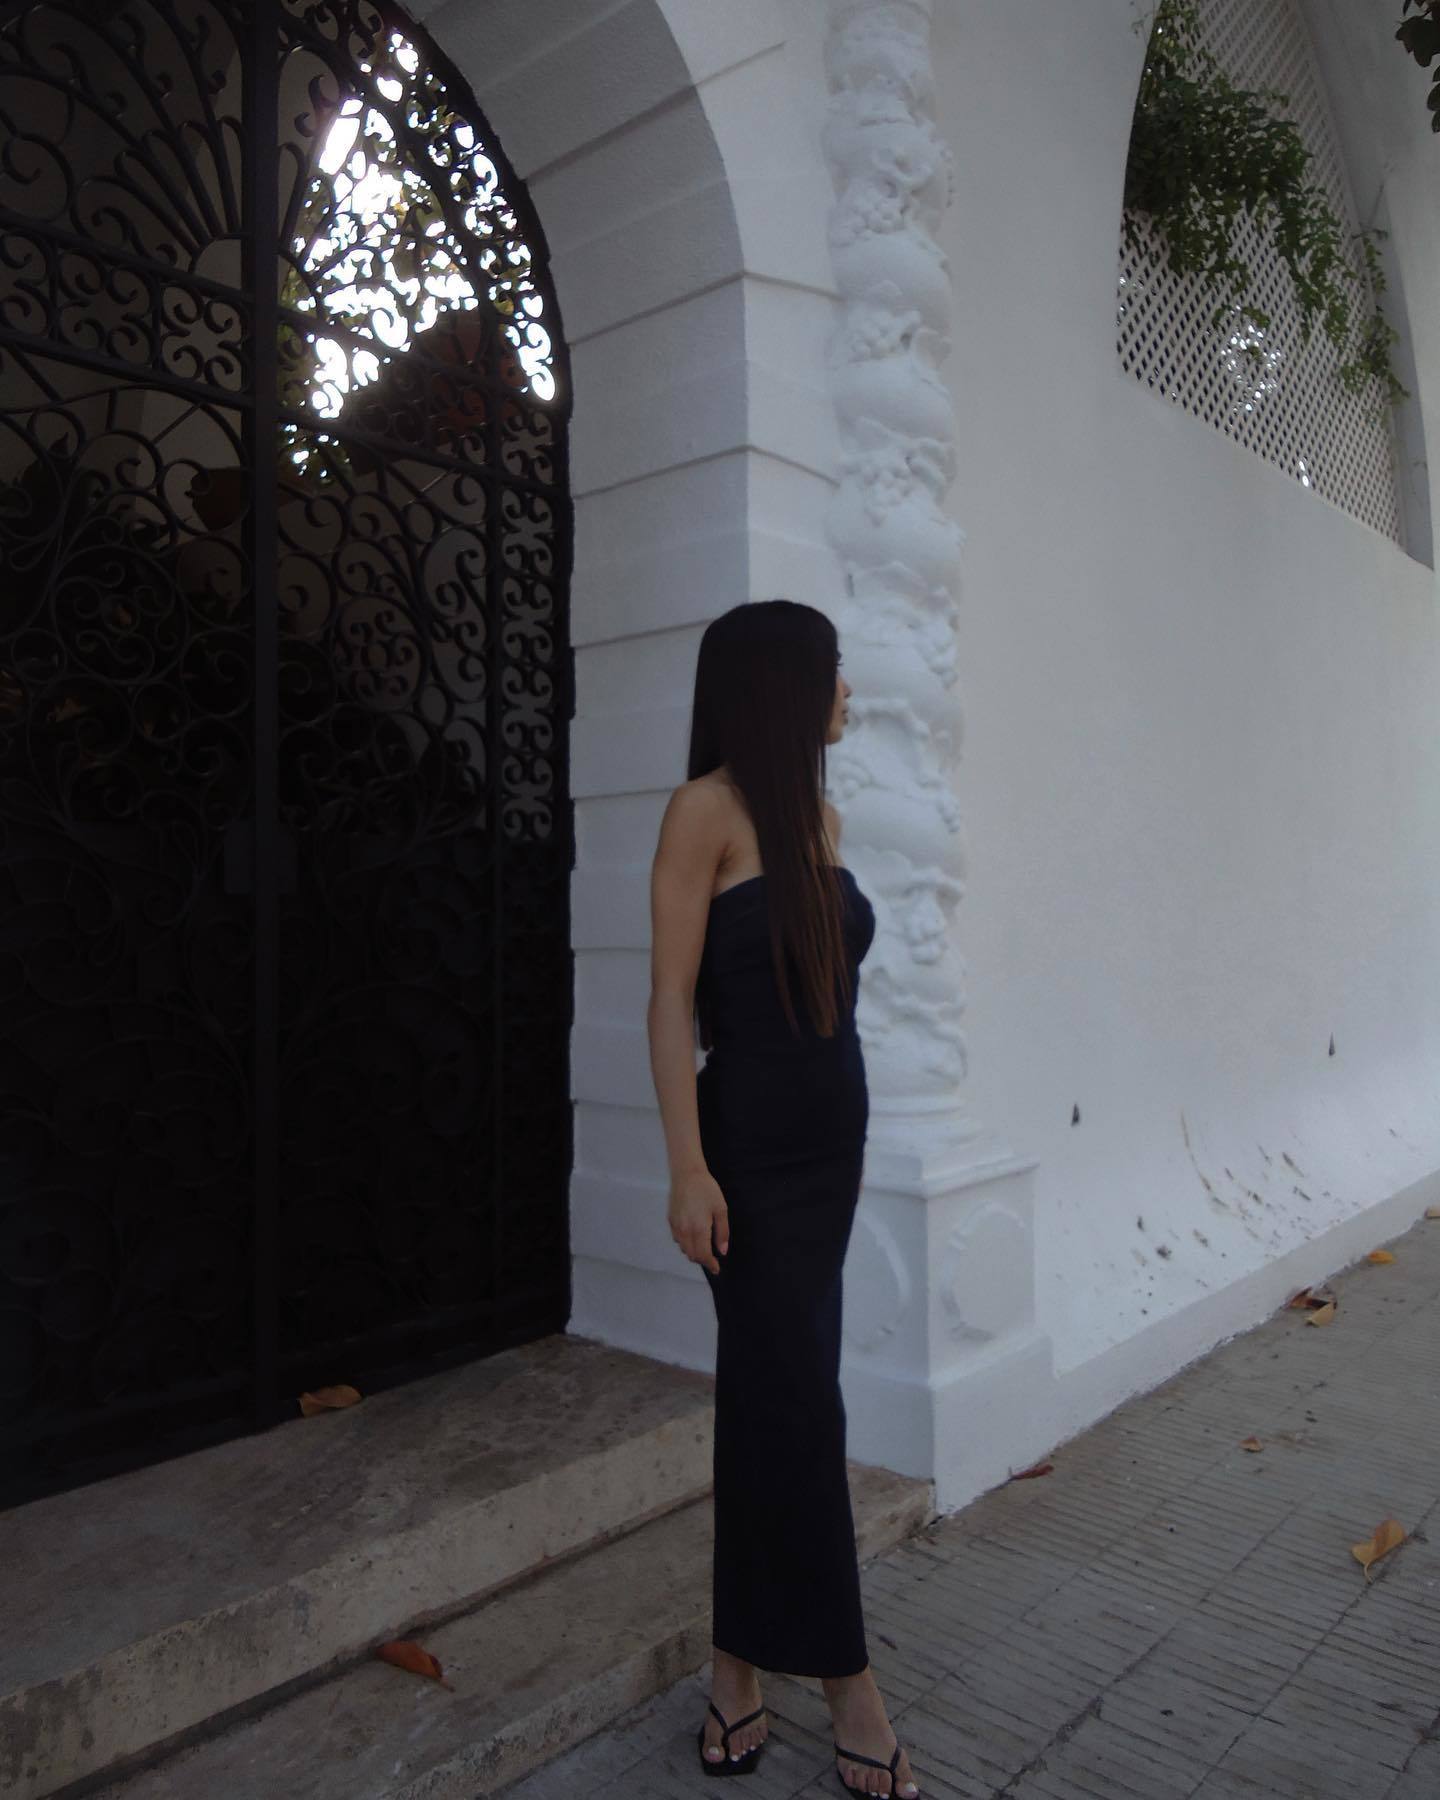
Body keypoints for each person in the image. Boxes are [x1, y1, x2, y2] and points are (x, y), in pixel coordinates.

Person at [647, 601, 921, 1797]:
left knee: (773, 1404)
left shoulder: (821, 818)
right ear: (782, 687)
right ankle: (851, 1687)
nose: (849, 693)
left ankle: (734, 1669)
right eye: (834, 673)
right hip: (747, 1154)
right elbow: (668, 999)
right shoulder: (702, 811)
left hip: (830, 1145)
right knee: (800, 1407)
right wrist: (686, 1166)